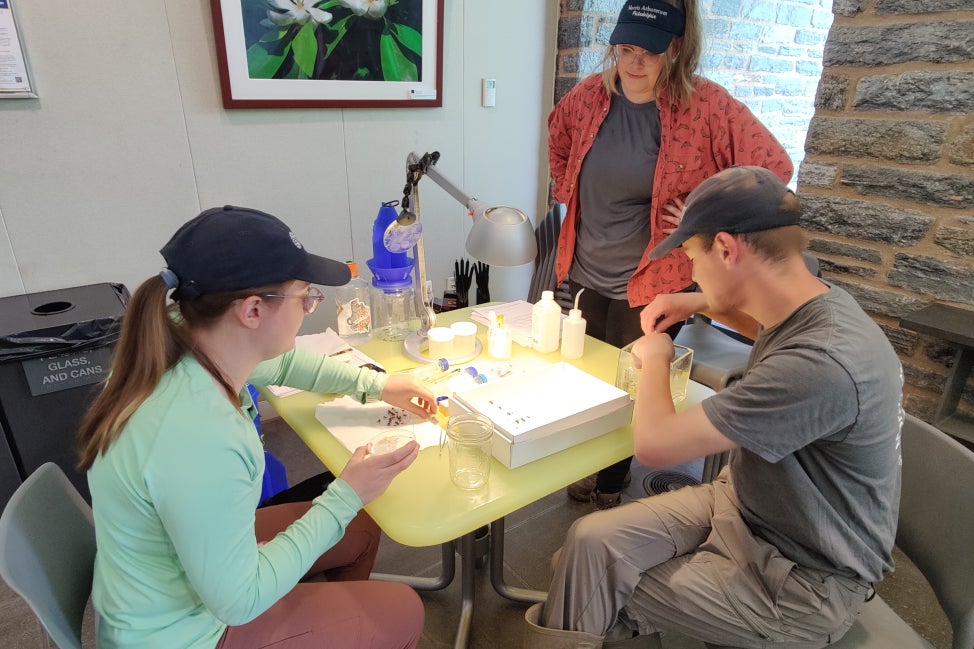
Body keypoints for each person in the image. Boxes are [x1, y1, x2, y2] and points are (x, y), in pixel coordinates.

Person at [524, 166, 903, 648]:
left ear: (726, 249)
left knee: (583, 581)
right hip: (747, 508)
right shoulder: (814, 305)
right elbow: (757, 322)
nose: (690, 273)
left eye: (691, 259)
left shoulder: (821, 363)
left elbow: (656, 444)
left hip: (803, 582)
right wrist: (697, 302)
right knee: (585, 544)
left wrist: (656, 356)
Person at [76, 205, 436, 649]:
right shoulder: (199, 435)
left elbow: (281, 360)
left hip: (176, 579)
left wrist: (376, 384)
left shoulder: (182, 333)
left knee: (362, 523)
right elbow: (238, 601)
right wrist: (346, 493)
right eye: (305, 295)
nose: (308, 307)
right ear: (251, 311)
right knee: (401, 610)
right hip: (183, 632)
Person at [549, 0, 794, 508]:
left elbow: (772, 169)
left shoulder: (705, 106)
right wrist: (568, 185)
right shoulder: (589, 98)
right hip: (586, 269)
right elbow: (558, 140)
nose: (634, 63)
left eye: (650, 52)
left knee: (629, 385)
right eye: (626, 49)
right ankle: (588, 465)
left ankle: (610, 483)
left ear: (675, 49)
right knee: (581, 378)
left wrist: (707, 209)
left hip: (656, 280)